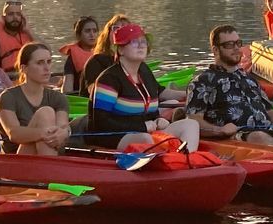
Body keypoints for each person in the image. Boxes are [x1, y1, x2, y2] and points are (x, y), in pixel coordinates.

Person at [83, 23, 200, 153]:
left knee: (191, 125)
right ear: (120, 50)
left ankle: (184, 160)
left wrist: (158, 119)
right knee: (144, 139)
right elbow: (101, 122)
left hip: (147, 131)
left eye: (143, 41)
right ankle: (167, 161)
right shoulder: (108, 79)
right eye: (133, 42)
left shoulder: (145, 71)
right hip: (110, 136)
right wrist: (141, 126)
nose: (140, 45)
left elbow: (151, 106)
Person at [190, 24, 273, 145]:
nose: (236, 48)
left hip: (270, 130)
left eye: (238, 43)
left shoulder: (249, 79)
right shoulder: (203, 81)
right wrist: (219, 130)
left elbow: (270, 111)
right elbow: (194, 120)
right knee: (258, 136)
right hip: (238, 136)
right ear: (215, 50)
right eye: (229, 45)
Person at [0, 42, 71, 156]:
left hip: (53, 150)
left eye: (48, 62)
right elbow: (14, 134)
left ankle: (49, 167)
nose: (46, 68)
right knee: (46, 112)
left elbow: (63, 127)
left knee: (48, 116)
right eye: (40, 63)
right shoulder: (8, 96)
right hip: (16, 160)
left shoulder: (58, 97)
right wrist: (44, 133)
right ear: (24, 68)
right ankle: (49, 169)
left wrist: (64, 133)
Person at [59, 15, 100, 96]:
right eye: (87, 31)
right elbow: (67, 91)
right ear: (78, 35)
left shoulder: (105, 53)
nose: (92, 35)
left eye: (95, 31)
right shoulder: (72, 58)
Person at [0, 0, 35, 76]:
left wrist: (29, 31)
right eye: (11, 14)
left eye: (18, 14)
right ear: (3, 18)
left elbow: (48, 51)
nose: (15, 17)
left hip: (28, 77)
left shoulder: (28, 34)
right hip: (6, 79)